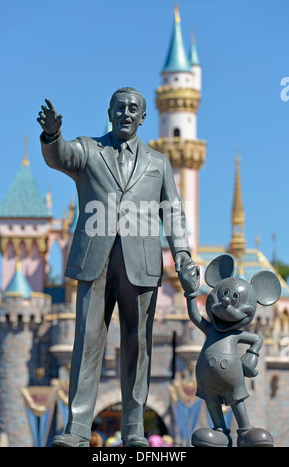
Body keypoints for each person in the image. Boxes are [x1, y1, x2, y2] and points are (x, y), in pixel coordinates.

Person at [37, 87, 198, 447]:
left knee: (137, 345)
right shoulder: (89, 150)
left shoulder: (158, 163)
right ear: (109, 113)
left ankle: (133, 430)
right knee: (88, 341)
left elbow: (172, 212)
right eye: (119, 107)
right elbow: (60, 155)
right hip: (95, 260)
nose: (126, 113)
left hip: (141, 264)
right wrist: (51, 136)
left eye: (133, 109)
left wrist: (183, 256)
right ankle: (77, 428)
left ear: (142, 118)